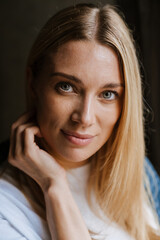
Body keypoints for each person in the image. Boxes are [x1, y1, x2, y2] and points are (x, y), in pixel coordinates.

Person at [0, 3, 160, 240]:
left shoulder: (140, 173)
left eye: (107, 94)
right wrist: (53, 185)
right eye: (66, 87)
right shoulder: (6, 207)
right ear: (33, 83)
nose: (84, 118)